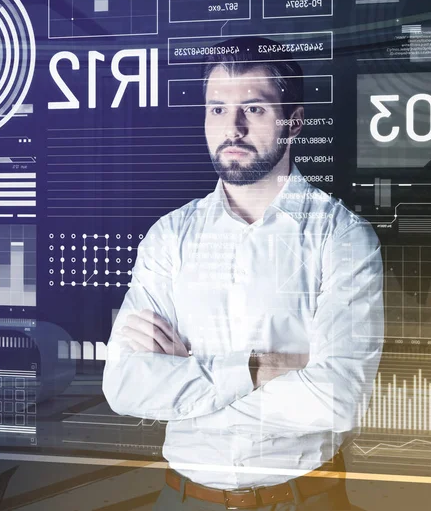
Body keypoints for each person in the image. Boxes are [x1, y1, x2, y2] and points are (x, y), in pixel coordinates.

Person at [103, 36, 383, 510]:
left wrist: (189, 375)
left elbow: (338, 399)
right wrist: (259, 367)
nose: (231, 127)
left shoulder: (341, 237)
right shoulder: (170, 237)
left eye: (252, 109)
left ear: (293, 123)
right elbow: (125, 386)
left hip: (300, 500)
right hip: (184, 499)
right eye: (217, 109)